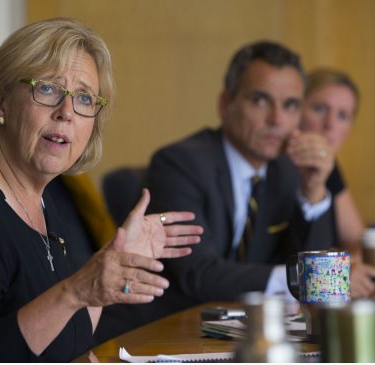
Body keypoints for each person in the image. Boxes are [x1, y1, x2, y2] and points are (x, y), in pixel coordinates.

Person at [0, 18, 203, 362]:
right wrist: (76, 290)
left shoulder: (51, 200)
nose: (66, 112)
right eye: (47, 89)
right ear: (1, 101)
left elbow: (60, 341)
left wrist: (104, 272)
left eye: (84, 97)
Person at [94, 40, 337, 343]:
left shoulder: (287, 171)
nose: (277, 119)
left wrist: (314, 190)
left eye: (290, 105)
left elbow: (319, 280)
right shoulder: (180, 163)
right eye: (261, 100)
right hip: (158, 335)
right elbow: (198, 273)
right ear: (225, 104)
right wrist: (292, 279)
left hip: (242, 338)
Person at [300, 68, 375, 297]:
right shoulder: (274, 168)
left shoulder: (330, 166)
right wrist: (339, 274)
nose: (330, 124)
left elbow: (357, 240)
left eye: (342, 116)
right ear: (296, 110)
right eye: (319, 109)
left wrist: (347, 268)